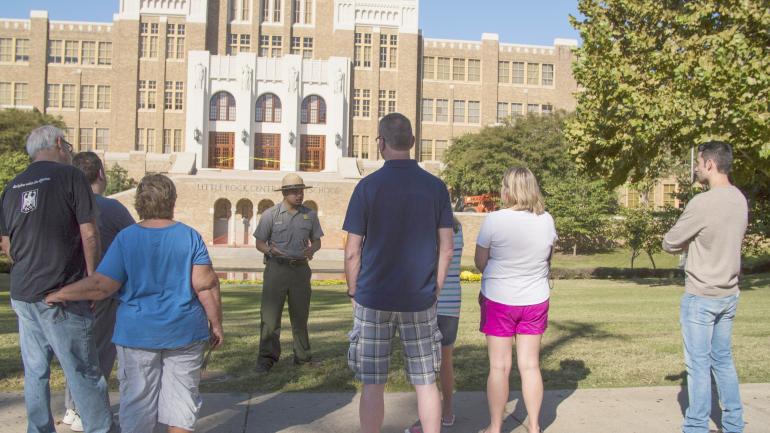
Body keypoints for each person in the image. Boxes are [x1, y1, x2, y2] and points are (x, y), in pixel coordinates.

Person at [45, 174, 224, 433]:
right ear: (172, 200)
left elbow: (102, 286)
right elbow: (205, 285)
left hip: (138, 333)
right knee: (183, 403)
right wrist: (216, 323)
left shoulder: (127, 238)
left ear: (139, 203)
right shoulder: (190, 236)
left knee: (138, 405)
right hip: (184, 330)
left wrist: (60, 293)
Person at [343, 113, 454, 433]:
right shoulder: (435, 187)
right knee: (425, 382)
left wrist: (353, 291)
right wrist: (435, 289)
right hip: (419, 299)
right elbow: (446, 247)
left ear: (380, 143)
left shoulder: (367, 187)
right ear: (413, 143)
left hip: (373, 298)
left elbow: (353, 250)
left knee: (373, 384)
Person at [0, 125, 115, 433]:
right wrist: (93, 282)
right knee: (83, 371)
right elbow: (89, 233)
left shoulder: (11, 187)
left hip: (23, 293)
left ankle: (38, 429)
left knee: (35, 370)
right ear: (60, 144)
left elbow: (7, 244)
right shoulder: (72, 177)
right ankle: (99, 429)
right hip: (62, 292)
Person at [662, 141, 747, 433]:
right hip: (729, 293)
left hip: (701, 296)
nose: (696, 168)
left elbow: (670, 242)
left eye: (698, 163)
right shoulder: (739, 199)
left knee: (698, 365)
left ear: (710, 164)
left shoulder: (702, 203)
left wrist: (690, 239)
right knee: (723, 360)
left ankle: (696, 426)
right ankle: (734, 423)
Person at [475, 167, 557, 433]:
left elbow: (480, 262)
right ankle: (534, 426)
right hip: (535, 298)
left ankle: (496, 427)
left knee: (499, 366)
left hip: (499, 298)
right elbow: (547, 258)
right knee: (530, 365)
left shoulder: (494, 220)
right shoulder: (546, 220)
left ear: (508, 189)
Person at [61, 151, 136, 431]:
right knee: (101, 352)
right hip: (102, 290)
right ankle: (85, 410)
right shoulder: (112, 209)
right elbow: (134, 242)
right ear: (101, 174)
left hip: (69, 288)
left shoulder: (65, 205)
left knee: (75, 351)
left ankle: (72, 406)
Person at [253, 173, 323, 372]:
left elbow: (317, 240)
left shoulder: (310, 215)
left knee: (300, 316)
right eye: (294, 192)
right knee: (270, 316)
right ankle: (266, 359)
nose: (299, 195)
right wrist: (269, 250)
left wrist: (313, 249)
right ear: (284, 193)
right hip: (277, 269)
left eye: (301, 191)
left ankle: (302, 357)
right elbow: (259, 242)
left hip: (300, 271)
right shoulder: (271, 215)